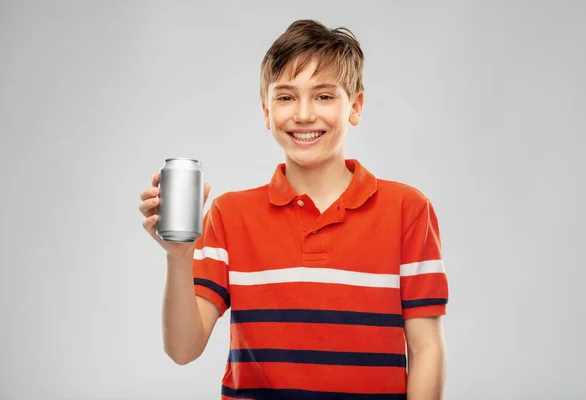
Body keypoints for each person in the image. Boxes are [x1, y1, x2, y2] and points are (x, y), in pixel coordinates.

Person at [139, 19, 448, 400]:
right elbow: (183, 350)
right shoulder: (229, 215)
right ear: (266, 111)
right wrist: (179, 256)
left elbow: (426, 349)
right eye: (285, 97)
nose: (303, 114)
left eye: (323, 96)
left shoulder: (408, 210)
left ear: (356, 106)